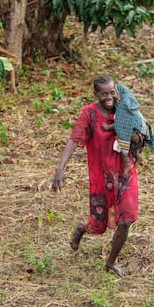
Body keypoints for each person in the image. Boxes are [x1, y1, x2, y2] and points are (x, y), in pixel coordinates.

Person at [52, 75, 139, 277]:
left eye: (112, 93)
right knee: (98, 225)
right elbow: (74, 140)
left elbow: (138, 133)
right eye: (104, 94)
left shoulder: (124, 108)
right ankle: (83, 228)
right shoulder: (89, 115)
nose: (109, 97)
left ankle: (111, 262)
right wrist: (60, 169)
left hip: (126, 172)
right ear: (96, 94)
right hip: (102, 178)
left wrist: (134, 137)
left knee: (126, 220)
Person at [102, 83, 154, 173]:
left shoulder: (124, 106)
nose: (112, 96)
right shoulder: (132, 105)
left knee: (122, 142)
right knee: (133, 147)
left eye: (113, 93)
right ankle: (137, 157)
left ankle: (127, 164)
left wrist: (108, 127)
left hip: (134, 133)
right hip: (141, 134)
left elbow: (121, 123)